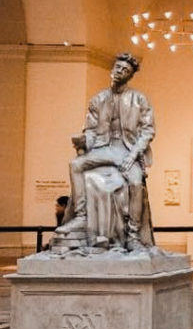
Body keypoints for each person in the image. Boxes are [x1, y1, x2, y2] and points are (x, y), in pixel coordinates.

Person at [56, 52, 155, 252]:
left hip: (126, 149)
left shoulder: (139, 99)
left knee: (136, 183)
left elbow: (148, 130)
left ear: (130, 76)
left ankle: (133, 236)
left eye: (125, 70)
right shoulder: (98, 99)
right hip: (103, 148)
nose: (120, 72)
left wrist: (133, 154)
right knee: (75, 165)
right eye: (118, 67)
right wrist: (84, 141)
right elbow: (91, 130)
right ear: (112, 69)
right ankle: (81, 216)